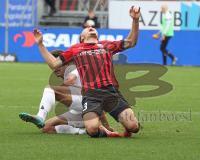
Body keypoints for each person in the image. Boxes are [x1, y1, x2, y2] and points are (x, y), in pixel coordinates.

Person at [33, 6, 141, 138]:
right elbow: (55, 64)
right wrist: (40, 44)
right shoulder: (75, 49)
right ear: (82, 38)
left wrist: (135, 20)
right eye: (88, 28)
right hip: (91, 96)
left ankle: (127, 127)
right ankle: (107, 133)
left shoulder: (106, 45)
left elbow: (131, 42)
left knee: (134, 127)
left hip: (111, 93)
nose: (91, 28)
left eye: (93, 28)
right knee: (92, 129)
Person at [19, 50, 116, 136]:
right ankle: (83, 132)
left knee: (50, 89)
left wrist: (106, 124)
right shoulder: (67, 75)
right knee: (46, 127)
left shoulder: (76, 70)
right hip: (80, 113)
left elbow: (95, 100)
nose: (55, 69)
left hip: (89, 109)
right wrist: (106, 126)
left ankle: (40, 116)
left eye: (58, 65)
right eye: (53, 66)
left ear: (67, 63)